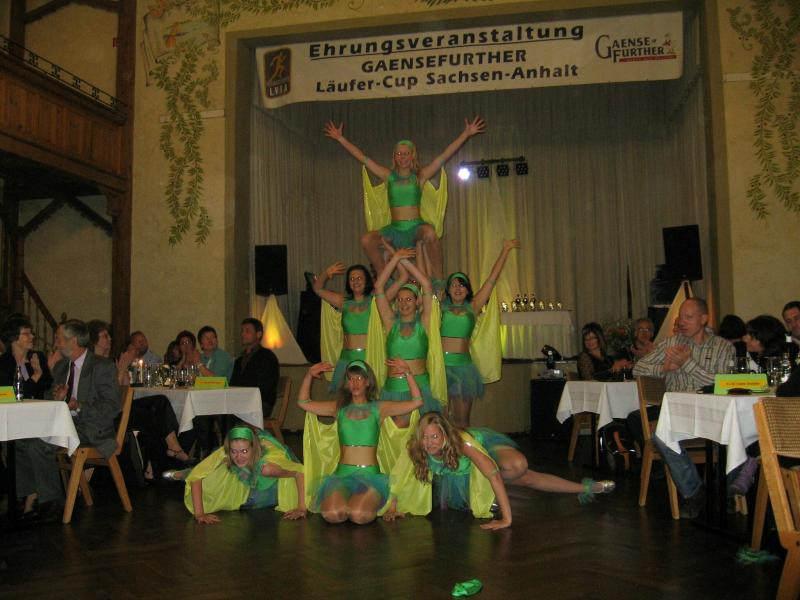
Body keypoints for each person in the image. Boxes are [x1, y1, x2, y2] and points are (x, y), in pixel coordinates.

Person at [383, 412, 615, 530]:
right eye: (425, 437)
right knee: (526, 479)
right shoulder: (416, 447)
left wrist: (506, 518)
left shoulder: (462, 444)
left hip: (485, 449)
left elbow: (493, 474)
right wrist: (393, 506)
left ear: (445, 434)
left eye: (435, 436)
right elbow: (399, 475)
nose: (429, 443)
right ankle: (585, 488)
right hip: (468, 477)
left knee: (520, 468)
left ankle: (586, 487)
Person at [324, 117, 485, 282]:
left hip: (415, 227)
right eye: (399, 154)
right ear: (395, 157)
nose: (403, 157)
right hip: (395, 230)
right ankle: (384, 277)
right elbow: (363, 158)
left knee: (431, 234)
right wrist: (341, 139)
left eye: (406, 153)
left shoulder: (420, 177)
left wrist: (466, 134)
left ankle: (439, 281)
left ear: (412, 155)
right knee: (366, 239)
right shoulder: (388, 176)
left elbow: (444, 156)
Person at [636, 298, 734, 518]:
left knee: (740, 434)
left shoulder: (723, 346)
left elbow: (722, 383)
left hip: (713, 415)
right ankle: (696, 493)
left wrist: (686, 364)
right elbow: (638, 368)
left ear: (704, 319)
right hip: (680, 416)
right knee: (661, 437)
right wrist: (664, 367)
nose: (682, 322)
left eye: (689, 317)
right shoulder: (672, 343)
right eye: (681, 317)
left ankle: (724, 493)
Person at [16, 319, 120, 521]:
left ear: (73, 341)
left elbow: (111, 407)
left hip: (90, 428)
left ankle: (51, 502)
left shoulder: (101, 366)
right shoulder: (62, 367)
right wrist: (55, 397)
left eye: (58, 339)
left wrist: (78, 405)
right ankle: (30, 496)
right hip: (64, 425)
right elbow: (49, 396)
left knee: (38, 444)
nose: (55, 343)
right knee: (20, 440)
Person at [298, 360, 423, 525]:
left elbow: (417, 401)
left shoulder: (379, 408)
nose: (355, 383)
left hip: (370, 475)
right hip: (342, 475)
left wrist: (408, 373)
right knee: (331, 514)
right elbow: (303, 403)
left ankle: (378, 500)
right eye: (350, 379)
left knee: (358, 515)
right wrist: (309, 375)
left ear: (368, 382)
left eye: (359, 378)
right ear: (346, 383)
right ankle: (353, 501)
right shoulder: (338, 408)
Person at [88, 319, 190, 474]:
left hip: (122, 408)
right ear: (94, 340)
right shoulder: (92, 364)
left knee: (159, 405)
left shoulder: (111, 360)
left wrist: (123, 369)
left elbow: (126, 389)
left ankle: (161, 462)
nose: (110, 338)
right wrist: (122, 368)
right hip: (110, 415)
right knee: (156, 412)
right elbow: (112, 396)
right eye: (105, 336)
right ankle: (164, 459)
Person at [442, 239, 520, 427]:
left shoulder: (473, 306)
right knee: (441, 420)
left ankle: (463, 447)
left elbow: (491, 279)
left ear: (468, 290)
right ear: (448, 290)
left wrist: (505, 250)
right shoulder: (438, 308)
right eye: (454, 285)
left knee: (461, 420)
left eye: (462, 285)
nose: (458, 288)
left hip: (463, 368)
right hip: (440, 368)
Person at [165, 425, 306, 524]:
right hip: (247, 474)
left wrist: (301, 507)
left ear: (254, 449)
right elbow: (198, 475)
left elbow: (299, 472)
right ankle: (186, 473)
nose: (238, 457)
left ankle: (185, 474)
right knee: (212, 472)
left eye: (244, 451)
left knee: (249, 499)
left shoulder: (267, 468)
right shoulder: (228, 454)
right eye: (234, 451)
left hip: (271, 485)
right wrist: (199, 514)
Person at [374, 247, 444, 424]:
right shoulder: (390, 323)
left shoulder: (424, 324)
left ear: (417, 301)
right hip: (393, 388)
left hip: (419, 386)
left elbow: (426, 285)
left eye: (409, 299)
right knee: (397, 432)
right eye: (400, 299)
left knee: (421, 433)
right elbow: (378, 287)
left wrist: (402, 260)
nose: (404, 303)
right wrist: (395, 259)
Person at [314, 261, 404, 391]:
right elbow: (318, 289)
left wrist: (396, 258)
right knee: (347, 399)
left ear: (366, 280)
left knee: (371, 397)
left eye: (359, 278)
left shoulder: (377, 301)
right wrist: (326, 273)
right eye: (352, 279)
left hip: (371, 358)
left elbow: (402, 278)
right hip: (347, 360)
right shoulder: (343, 302)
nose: (355, 281)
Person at [229, 318, 280, 428]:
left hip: (260, 403)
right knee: (215, 411)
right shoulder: (239, 360)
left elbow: (265, 386)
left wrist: (241, 398)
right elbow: (233, 383)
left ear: (258, 334)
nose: (243, 334)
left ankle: (232, 438)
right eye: (242, 331)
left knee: (227, 413)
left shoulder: (267, 357)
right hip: (241, 401)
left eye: (247, 331)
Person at [0, 315, 52, 399]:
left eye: (31, 333)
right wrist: (36, 375)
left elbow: (47, 387)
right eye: (26, 334)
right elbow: (7, 395)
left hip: (39, 406)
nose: (32, 336)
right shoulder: (3, 363)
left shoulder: (38, 357)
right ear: (13, 338)